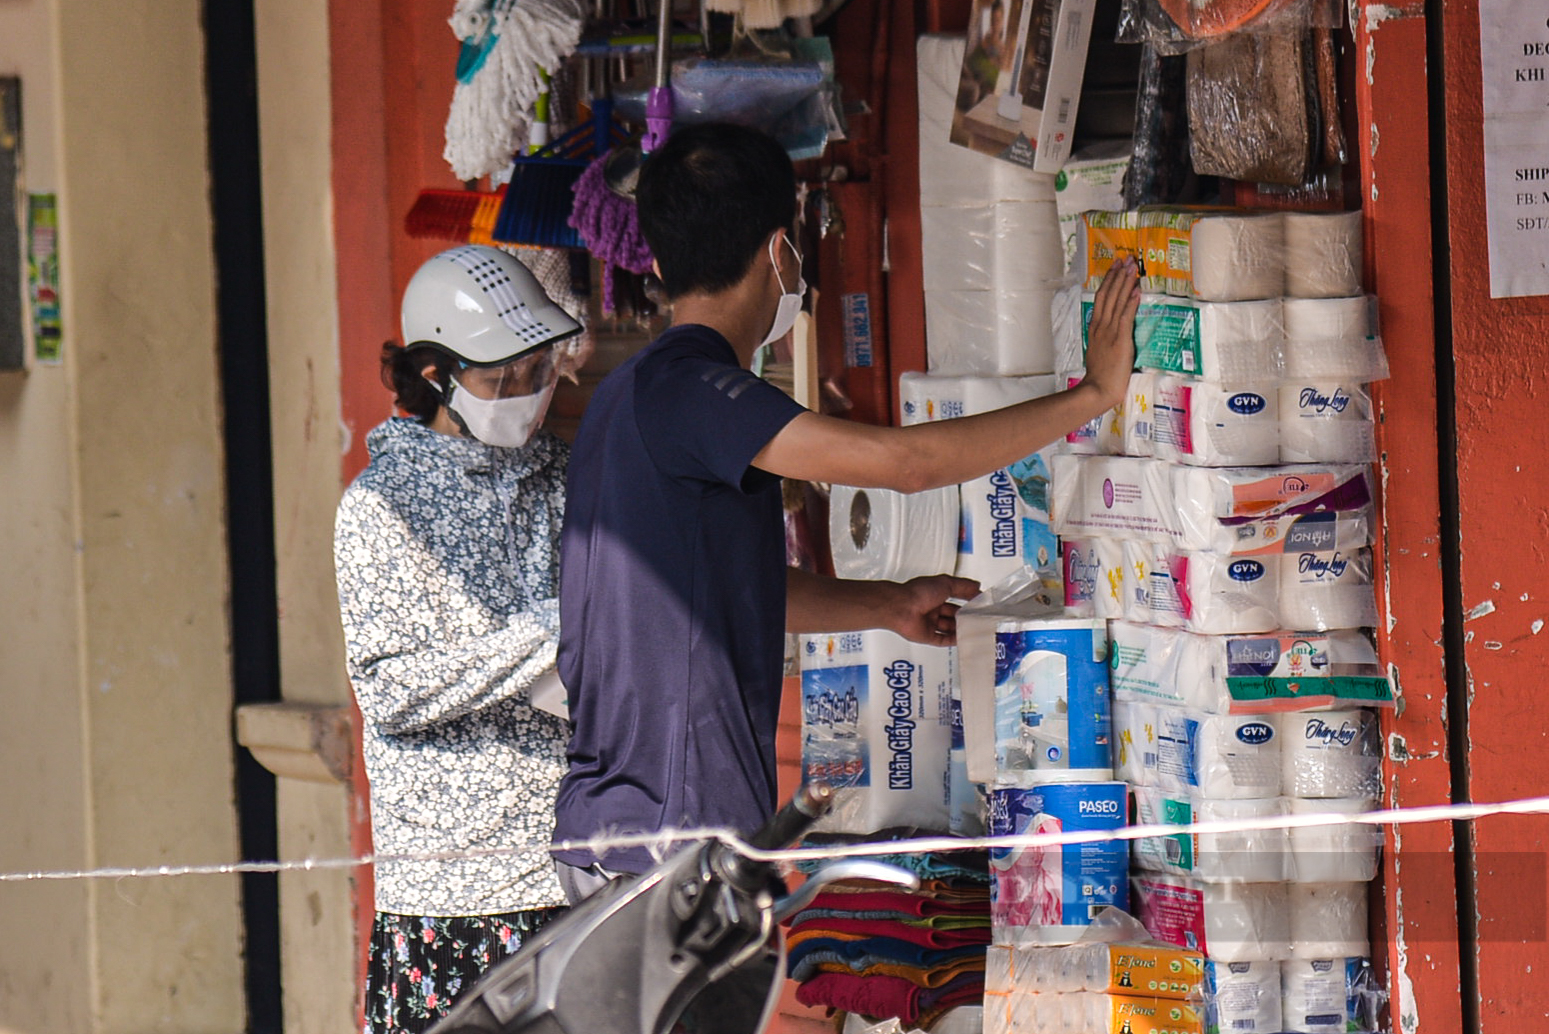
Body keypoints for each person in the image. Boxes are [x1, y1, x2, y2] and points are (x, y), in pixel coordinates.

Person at [552, 123, 1139, 899]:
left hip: (622, 835)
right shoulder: (693, 393)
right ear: (779, 254)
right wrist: (1092, 395)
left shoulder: (623, 398)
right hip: (671, 849)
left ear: (657, 263)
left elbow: (721, 589)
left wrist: (888, 605)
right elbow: (906, 465)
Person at [334, 245, 585, 1034]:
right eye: (499, 376)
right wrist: (552, 630)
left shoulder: (565, 480)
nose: (525, 392)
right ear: (435, 376)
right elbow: (392, 690)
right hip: (453, 900)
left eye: (536, 368)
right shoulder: (377, 509)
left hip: (579, 866)